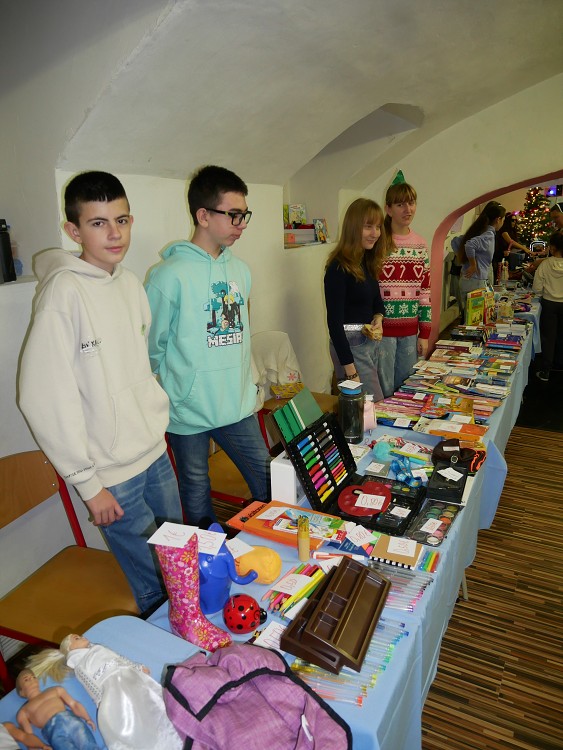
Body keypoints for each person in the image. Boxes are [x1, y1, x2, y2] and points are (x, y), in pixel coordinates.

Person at [18, 171, 182, 613]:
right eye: (98, 223)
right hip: (112, 475)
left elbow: (138, 368)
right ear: (73, 231)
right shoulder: (62, 294)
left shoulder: (129, 283)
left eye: (121, 220)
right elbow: (41, 397)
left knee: (179, 565)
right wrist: (88, 485)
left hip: (153, 453)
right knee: (155, 588)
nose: (115, 234)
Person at [145, 165, 270, 526]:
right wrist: (178, 388)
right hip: (188, 410)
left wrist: (249, 385)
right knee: (197, 493)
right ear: (203, 216)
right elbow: (150, 347)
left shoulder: (241, 271)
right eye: (233, 215)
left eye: (244, 215)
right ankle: (208, 558)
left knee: (268, 481)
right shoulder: (167, 276)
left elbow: (241, 335)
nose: (241, 224)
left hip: (237, 403)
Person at [27, 635, 181, 750]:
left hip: (128, 675)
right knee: (130, 714)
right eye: (76, 638)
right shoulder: (80, 666)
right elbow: (90, 685)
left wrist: (137, 667)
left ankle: (175, 727)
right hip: (112, 686)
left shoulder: (97, 648)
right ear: (71, 648)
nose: (82, 637)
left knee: (151, 701)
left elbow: (120, 659)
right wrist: (102, 699)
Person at [324, 198, 386, 401]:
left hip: (368, 342)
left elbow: (376, 299)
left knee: (369, 407)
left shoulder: (366, 261)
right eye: (368, 227)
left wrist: (378, 316)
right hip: (350, 347)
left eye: (378, 227)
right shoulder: (338, 268)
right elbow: (334, 324)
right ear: (353, 227)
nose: (375, 233)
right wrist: (350, 371)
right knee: (373, 405)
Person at [377, 177, 432, 398]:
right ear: (388, 209)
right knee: (383, 389)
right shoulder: (378, 243)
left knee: (407, 388)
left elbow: (425, 291)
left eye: (411, 203)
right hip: (381, 332)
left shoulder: (420, 245)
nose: (408, 209)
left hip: (410, 331)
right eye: (400, 204)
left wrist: (424, 332)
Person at [15, 668, 97, 750]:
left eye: (34, 677)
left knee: (88, 744)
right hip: (54, 733)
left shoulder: (55, 690)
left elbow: (74, 704)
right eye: (26, 679)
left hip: (72, 722)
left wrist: (87, 718)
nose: (32, 679)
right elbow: (29, 736)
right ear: (22, 692)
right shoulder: (24, 712)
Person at [457, 201, 506, 314]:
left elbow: (457, 241)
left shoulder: (479, 231)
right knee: (474, 319)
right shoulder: (488, 235)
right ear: (498, 219)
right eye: (503, 220)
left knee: (469, 316)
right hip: (475, 282)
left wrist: (468, 262)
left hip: (469, 280)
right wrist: (473, 264)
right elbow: (469, 245)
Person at [532, 231, 563, 382]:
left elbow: (537, 287)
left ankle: (545, 370)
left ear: (552, 247)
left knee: (548, 337)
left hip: (549, 303)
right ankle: (560, 364)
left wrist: (541, 293)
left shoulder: (545, 264)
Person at [493, 212, 533, 281]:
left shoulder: (512, 231)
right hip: (499, 258)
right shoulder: (503, 231)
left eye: (515, 220)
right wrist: (524, 248)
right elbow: (511, 241)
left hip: (507, 259)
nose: (514, 222)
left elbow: (515, 243)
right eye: (512, 220)